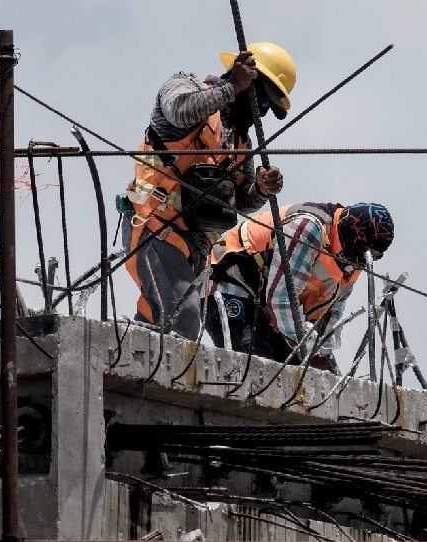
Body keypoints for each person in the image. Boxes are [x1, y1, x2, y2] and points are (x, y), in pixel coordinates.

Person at [122, 42, 296, 339]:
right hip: (154, 225)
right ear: (247, 79)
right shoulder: (184, 87)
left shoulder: (240, 142)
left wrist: (261, 190)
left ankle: (126, 359)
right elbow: (178, 111)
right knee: (183, 319)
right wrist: (231, 88)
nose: (260, 116)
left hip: (194, 243)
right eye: (263, 104)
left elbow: (239, 200)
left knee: (162, 319)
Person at [207, 201, 394, 371]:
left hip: (273, 314)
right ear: (349, 233)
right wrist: (310, 350)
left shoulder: (354, 263)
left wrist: (321, 353)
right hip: (230, 284)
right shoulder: (308, 227)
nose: (362, 260)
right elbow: (281, 298)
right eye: (363, 251)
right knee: (257, 371)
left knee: (309, 381)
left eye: (373, 256)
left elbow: (328, 316)